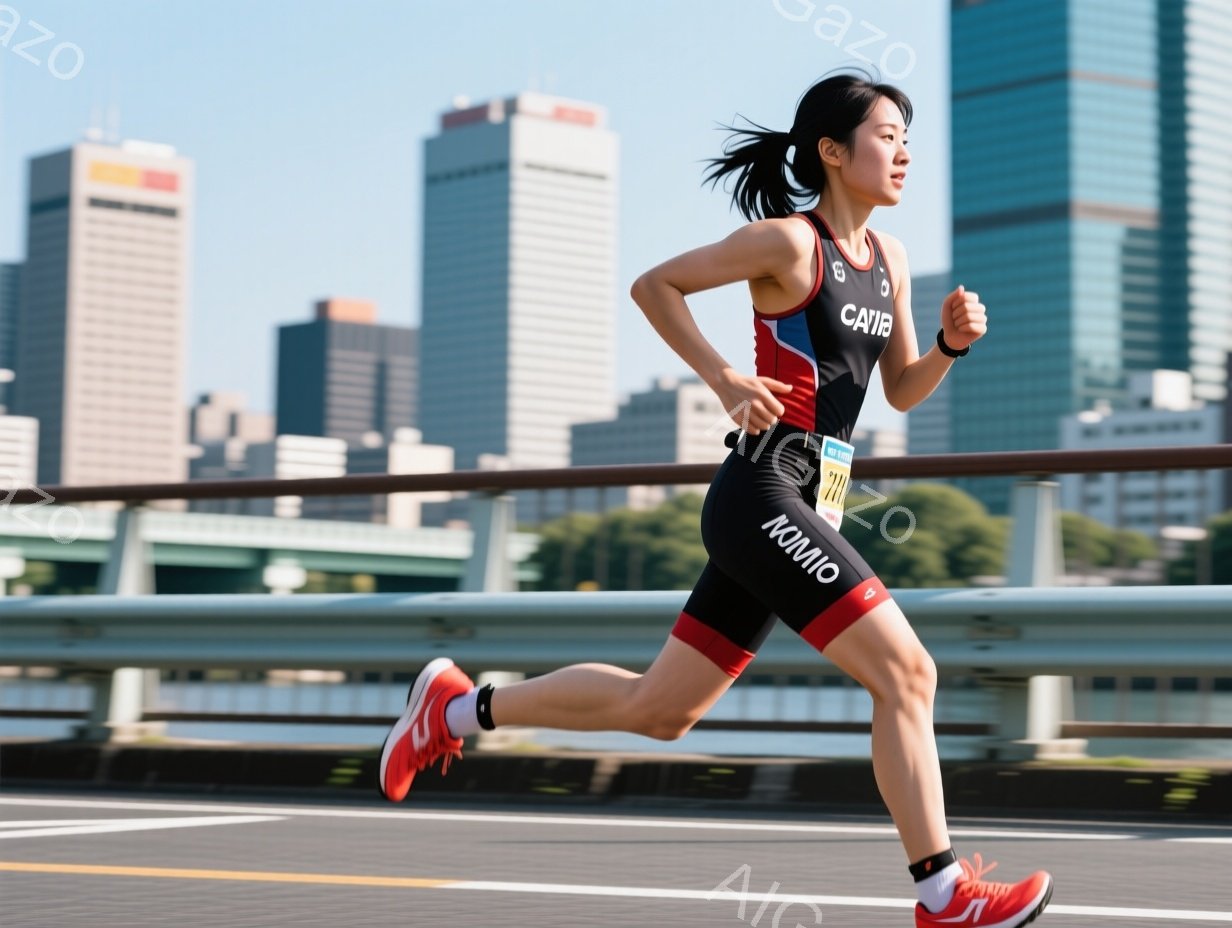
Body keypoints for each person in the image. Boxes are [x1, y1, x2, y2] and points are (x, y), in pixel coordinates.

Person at [378, 68, 1053, 928]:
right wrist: (725, 376)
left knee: (660, 710)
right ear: (833, 152)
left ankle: (455, 707)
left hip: (816, 502)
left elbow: (901, 391)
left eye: (905, 136)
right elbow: (655, 285)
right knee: (908, 672)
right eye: (887, 135)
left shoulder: (891, 260)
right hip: (765, 492)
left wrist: (952, 348)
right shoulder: (787, 244)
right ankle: (943, 892)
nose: (904, 152)